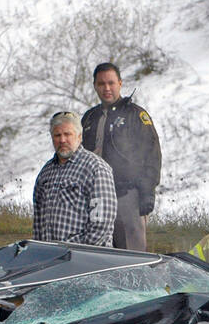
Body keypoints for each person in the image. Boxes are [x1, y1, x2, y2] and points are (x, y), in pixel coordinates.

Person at [81, 62, 162, 250]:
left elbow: (152, 155)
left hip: (127, 196)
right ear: (95, 86)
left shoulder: (136, 115)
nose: (106, 88)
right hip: (94, 197)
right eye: (101, 84)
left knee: (132, 253)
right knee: (98, 251)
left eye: (111, 83)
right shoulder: (89, 118)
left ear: (120, 83)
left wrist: (148, 191)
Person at [32, 111, 118, 246]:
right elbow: (38, 222)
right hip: (50, 258)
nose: (62, 140)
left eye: (67, 134)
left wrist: (78, 252)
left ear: (79, 136)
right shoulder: (46, 172)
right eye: (57, 135)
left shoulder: (95, 168)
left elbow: (102, 222)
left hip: (87, 259)